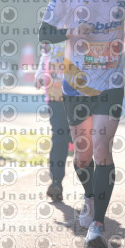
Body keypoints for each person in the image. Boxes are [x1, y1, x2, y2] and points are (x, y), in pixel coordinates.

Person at [38, 0, 125, 248]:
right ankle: (89, 197)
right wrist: (72, 31)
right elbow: (45, 32)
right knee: (83, 156)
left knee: (101, 149)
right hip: (76, 84)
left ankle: (98, 225)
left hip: (112, 82)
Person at [35, 42, 72, 201]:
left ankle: (91, 190)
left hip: (81, 94)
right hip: (55, 93)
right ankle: (56, 182)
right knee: (59, 135)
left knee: (82, 139)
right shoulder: (50, 30)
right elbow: (46, 54)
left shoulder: (82, 27)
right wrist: (39, 73)